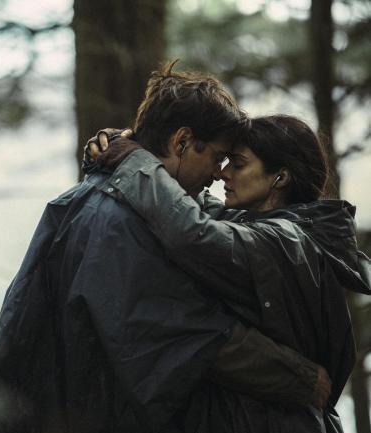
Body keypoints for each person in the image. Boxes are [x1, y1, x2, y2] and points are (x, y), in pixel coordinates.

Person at [0, 64, 331, 433]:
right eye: (218, 157)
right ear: (182, 143)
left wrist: (124, 153)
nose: (217, 173)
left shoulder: (97, 200)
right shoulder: (122, 221)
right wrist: (302, 380)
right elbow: (189, 333)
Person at [86, 114, 371, 432]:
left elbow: (191, 231)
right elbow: (193, 205)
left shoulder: (285, 241)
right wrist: (124, 145)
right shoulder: (264, 226)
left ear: (280, 177)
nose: (222, 173)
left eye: (237, 164)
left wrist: (133, 159)